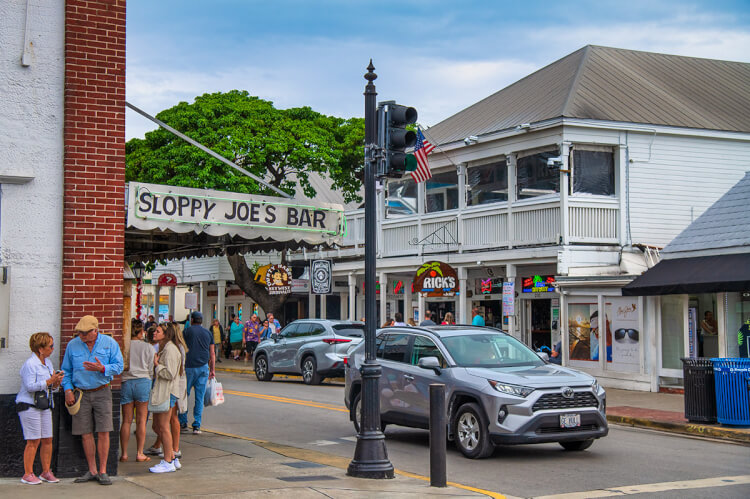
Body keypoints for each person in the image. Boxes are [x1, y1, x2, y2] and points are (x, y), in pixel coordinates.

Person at [61, 315, 124, 486]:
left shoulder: (109, 343)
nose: (81, 336)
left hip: (102, 391)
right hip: (80, 393)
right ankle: (92, 470)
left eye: (85, 333)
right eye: (79, 333)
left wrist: (102, 368)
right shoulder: (72, 345)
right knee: (85, 433)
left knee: (104, 431)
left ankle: (103, 471)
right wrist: (67, 390)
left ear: (95, 330)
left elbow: (119, 366)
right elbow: (65, 370)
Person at [16, 332, 64, 485]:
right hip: (30, 405)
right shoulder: (30, 365)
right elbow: (30, 386)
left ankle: (46, 471)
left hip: (44, 405)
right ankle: (28, 473)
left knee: (47, 439)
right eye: (50, 346)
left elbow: (48, 386)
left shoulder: (48, 363)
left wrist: (55, 383)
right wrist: (50, 380)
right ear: (40, 349)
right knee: (33, 440)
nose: (53, 348)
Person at [148, 323, 182, 473]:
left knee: (163, 426)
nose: (154, 333)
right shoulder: (166, 349)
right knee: (159, 426)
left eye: (158, 331)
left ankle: (168, 460)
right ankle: (171, 458)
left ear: (166, 334)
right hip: (166, 392)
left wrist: (157, 365)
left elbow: (170, 373)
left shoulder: (170, 350)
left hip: (168, 392)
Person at [119, 323, 153, 463]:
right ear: (141, 332)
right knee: (141, 420)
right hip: (143, 381)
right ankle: (140, 453)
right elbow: (151, 368)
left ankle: (124, 454)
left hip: (126, 381)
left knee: (126, 420)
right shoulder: (148, 347)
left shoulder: (123, 346)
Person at [178, 311, 215, 434]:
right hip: (203, 367)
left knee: (184, 395)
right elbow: (212, 354)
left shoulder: (186, 332)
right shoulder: (208, 333)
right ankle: (197, 425)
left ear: (192, 320)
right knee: (199, 397)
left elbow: (180, 348)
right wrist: (213, 369)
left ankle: (183, 422)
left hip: (188, 367)